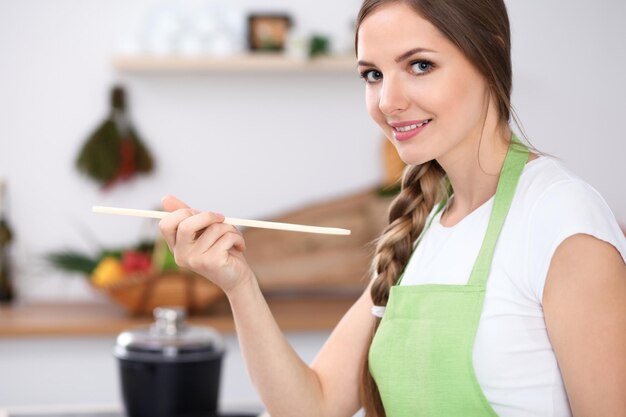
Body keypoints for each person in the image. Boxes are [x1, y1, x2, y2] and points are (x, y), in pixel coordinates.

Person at [159, 0, 626, 415]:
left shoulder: (561, 220)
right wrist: (238, 284)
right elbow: (313, 407)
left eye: (420, 65)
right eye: (373, 75)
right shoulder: (424, 224)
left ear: (491, 55)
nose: (388, 101)